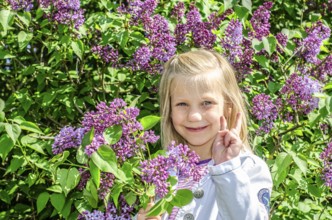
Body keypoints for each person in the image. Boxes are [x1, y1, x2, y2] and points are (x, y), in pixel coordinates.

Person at [138, 49, 273, 220]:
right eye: (182, 104)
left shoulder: (248, 167)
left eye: (206, 103)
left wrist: (227, 168)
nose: (194, 116)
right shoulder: (163, 168)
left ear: (228, 106)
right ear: (169, 109)